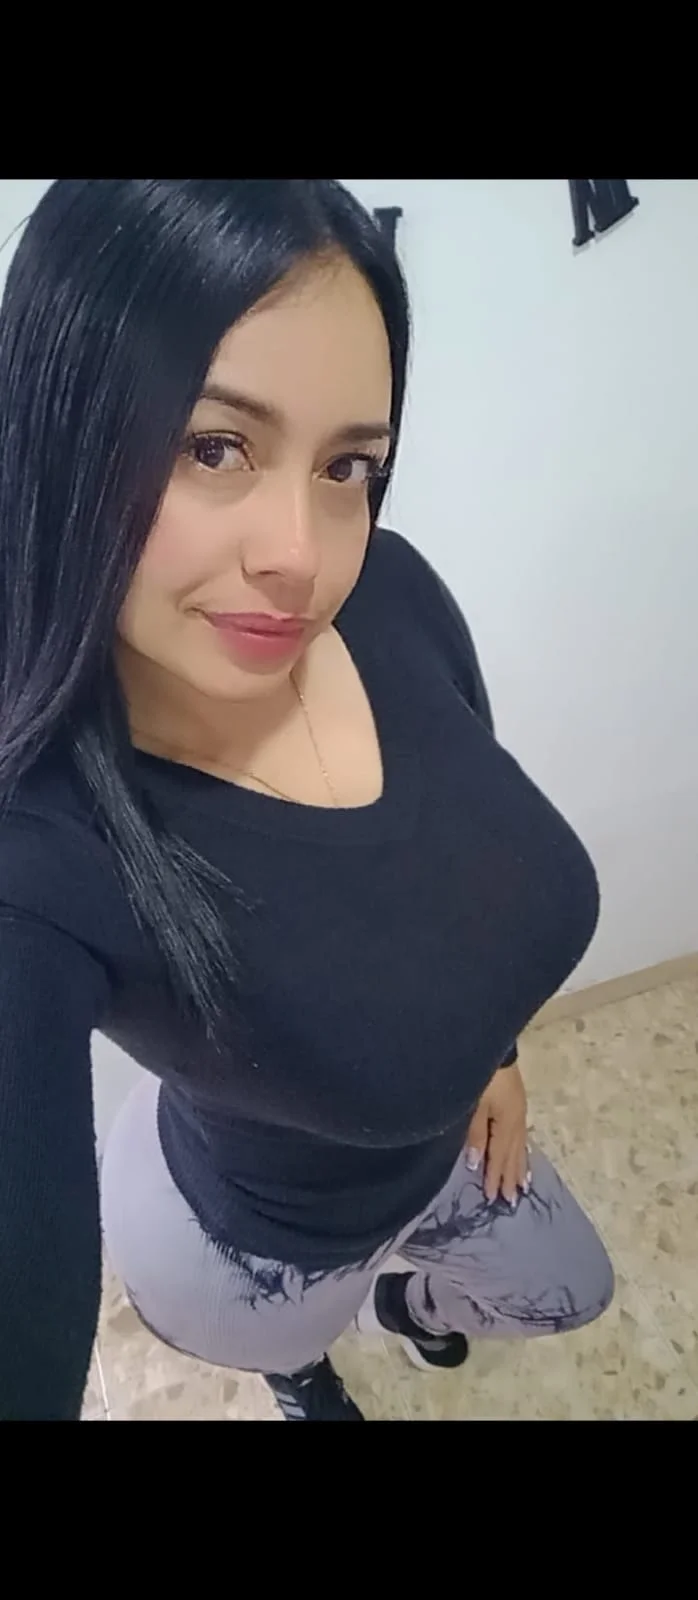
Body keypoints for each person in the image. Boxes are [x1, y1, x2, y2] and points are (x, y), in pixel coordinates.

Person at [0, 179, 613, 1423]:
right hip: (247, 1249)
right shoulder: (38, 857)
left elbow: (473, 860)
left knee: (570, 1285)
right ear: (59, 430)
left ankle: (410, 1305)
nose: (302, 552)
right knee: (295, 1335)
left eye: (346, 465)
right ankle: (297, 1367)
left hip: (446, 1157)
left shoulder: (391, 590)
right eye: (213, 445)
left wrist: (490, 1055)